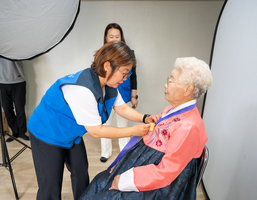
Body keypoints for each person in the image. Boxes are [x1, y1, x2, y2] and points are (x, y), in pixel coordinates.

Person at [27, 41, 159, 200]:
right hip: (46, 133)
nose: (125, 78)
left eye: (128, 74)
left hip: (71, 134)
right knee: (50, 188)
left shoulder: (109, 84)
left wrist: (144, 118)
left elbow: (122, 108)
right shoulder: (82, 90)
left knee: (81, 174)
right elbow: (97, 131)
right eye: (124, 73)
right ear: (108, 66)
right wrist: (133, 131)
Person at [79, 57, 213, 200]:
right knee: (101, 181)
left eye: (171, 80)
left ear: (188, 89)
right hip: (147, 166)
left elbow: (166, 172)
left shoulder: (189, 127)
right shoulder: (169, 109)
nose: (165, 85)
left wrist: (124, 181)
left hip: (162, 182)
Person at [100, 23, 138, 163]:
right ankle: (106, 152)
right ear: (106, 38)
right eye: (111, 36)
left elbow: (133, 76)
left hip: (125, 94)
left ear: (121, 37)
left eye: (117, 36)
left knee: (124, 126)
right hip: (107, 95)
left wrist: (134, 96)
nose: (114, 39)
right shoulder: (101, 54)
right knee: (105, 125)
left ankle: (124, 153)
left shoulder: (130, 54)